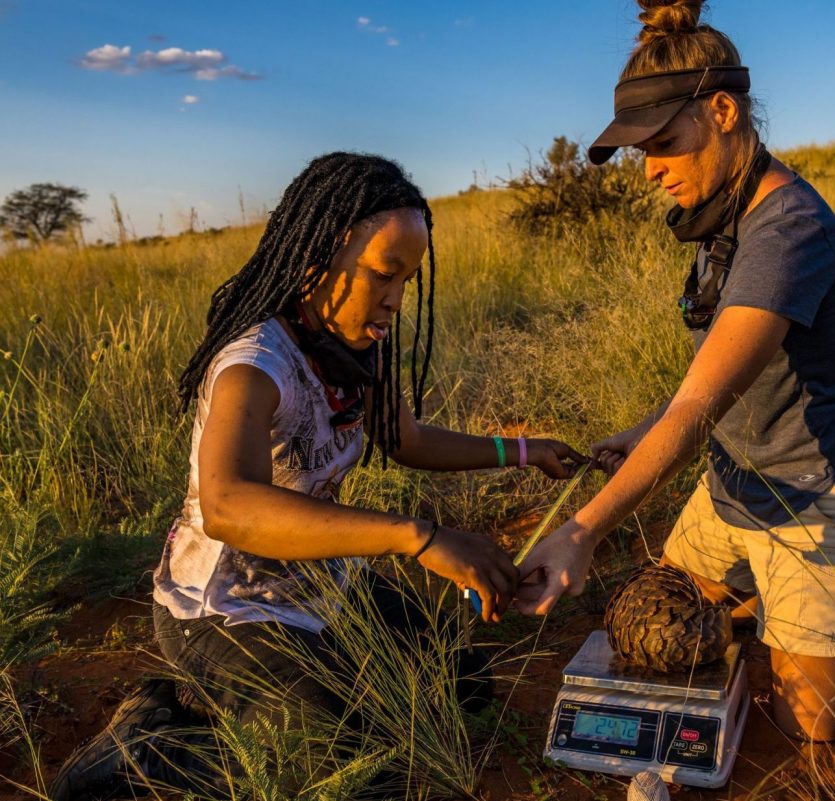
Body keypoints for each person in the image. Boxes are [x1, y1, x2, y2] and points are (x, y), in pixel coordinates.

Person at [515, 0, 835, 742]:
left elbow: (699, 402)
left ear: (724, 111)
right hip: (734, 481)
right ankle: (832, 600)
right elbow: (717, 378)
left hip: (816, 495)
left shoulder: (789, 231)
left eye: (663, 143)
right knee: (661, 624)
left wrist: (584, 529)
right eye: (643, 152)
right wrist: (639, 435)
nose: (652, 171)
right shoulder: (722, 209)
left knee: (815, 719)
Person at [50, 152, 584, 798]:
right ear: (318, 259)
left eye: (407, 281)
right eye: (385, 275)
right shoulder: (254, 365)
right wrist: (417, 537)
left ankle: (238, 709)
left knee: (461, 684)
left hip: (322, 586)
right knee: (356, 774)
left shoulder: (355, 346)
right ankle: (150, 749)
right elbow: (227, 504)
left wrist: (525, 452)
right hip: (226, 611)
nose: (396, 299)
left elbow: (406, 439)